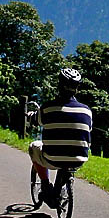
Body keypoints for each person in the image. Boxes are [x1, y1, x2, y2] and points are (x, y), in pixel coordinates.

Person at [28, 68, 92, 204]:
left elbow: (36, 120)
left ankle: (45, 185)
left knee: (33, 146)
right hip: (79, 159)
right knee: (67, 154)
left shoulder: (47, 108)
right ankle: (60, 189)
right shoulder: (86, 111)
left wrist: (31, 116)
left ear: (59, 84)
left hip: (52, 158)